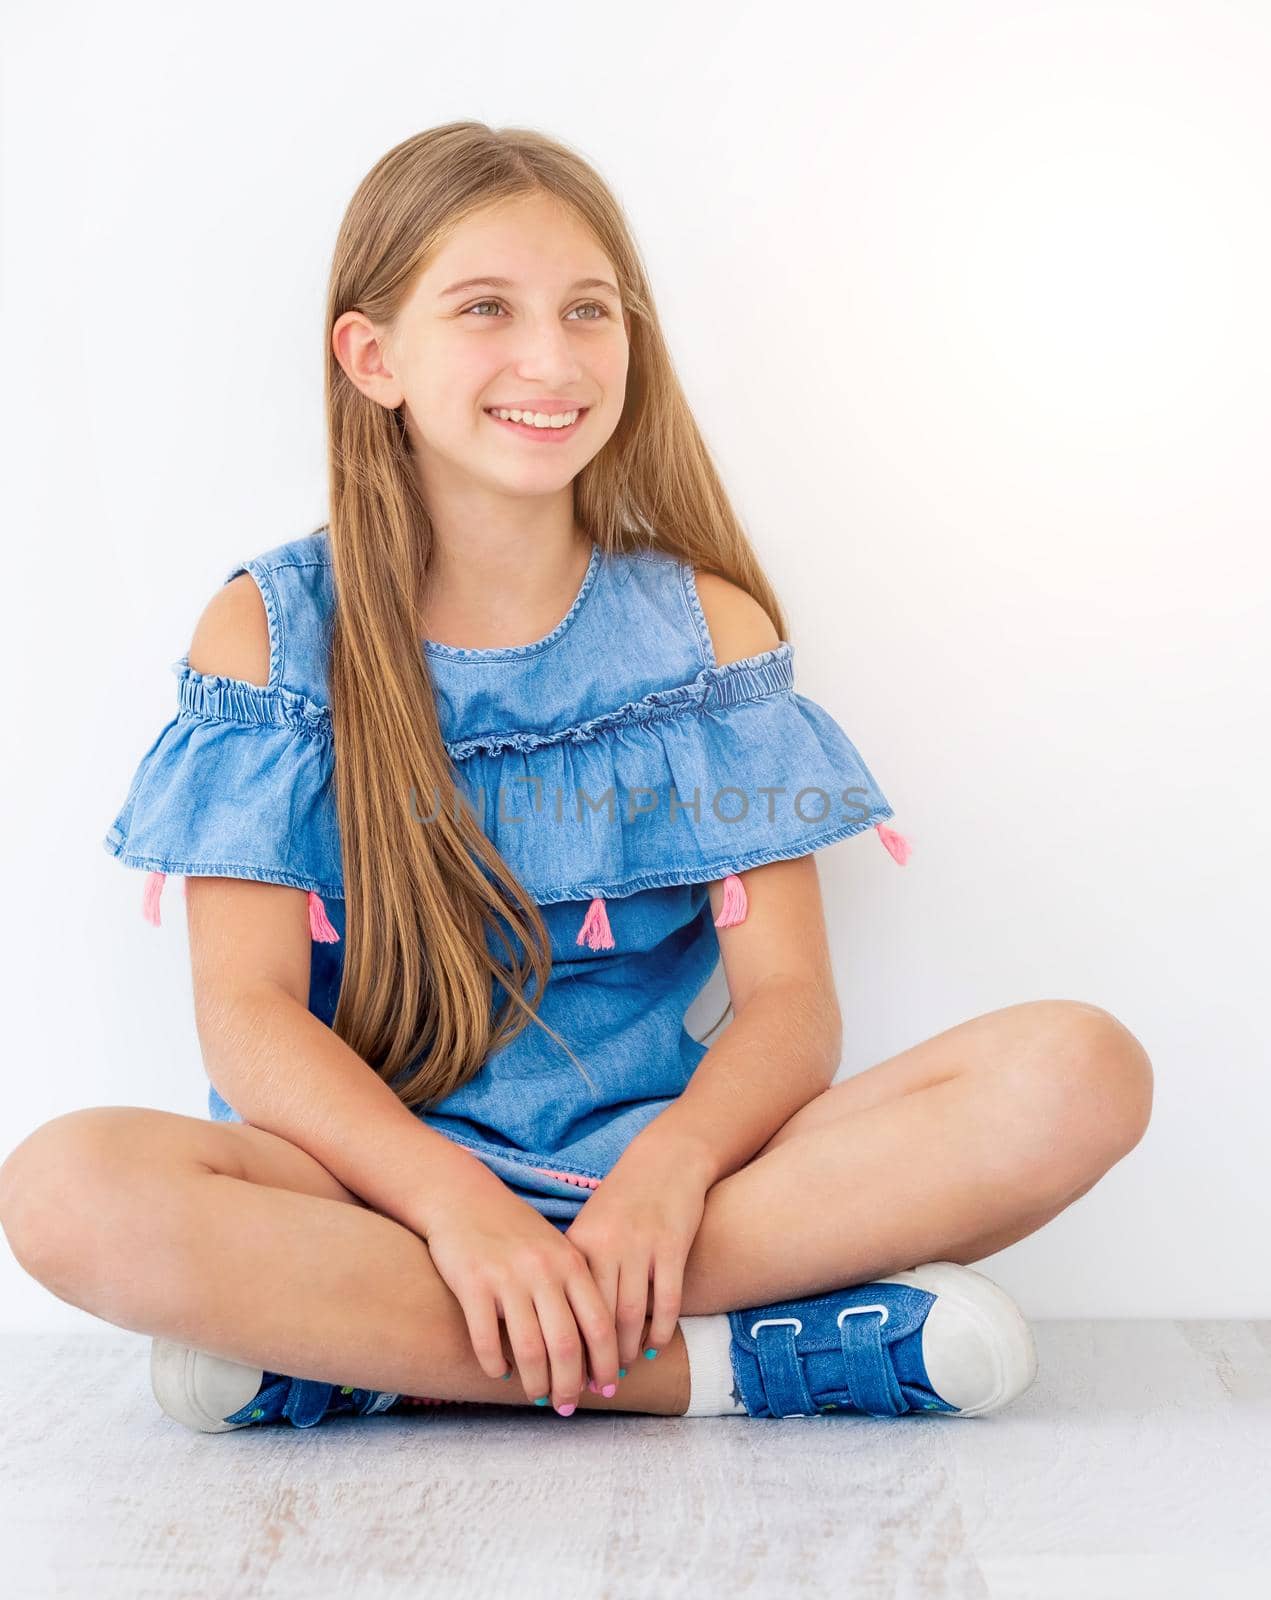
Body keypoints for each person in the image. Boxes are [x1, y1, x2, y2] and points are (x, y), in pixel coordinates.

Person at [0, 123, 1153, 1433]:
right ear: (371, 357)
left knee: (1081, 1070)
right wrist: (454, 1208)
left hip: (671, 1189)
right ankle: (725, 1365)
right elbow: (250, 1023)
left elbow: (789, 1008)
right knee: (63, 1190)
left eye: (587, 310)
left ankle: (358, 1343)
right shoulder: (267, 637)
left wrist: (668, 1175)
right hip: (366, 1195)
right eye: (485, 308)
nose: (549, 358)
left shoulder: (706, 633)